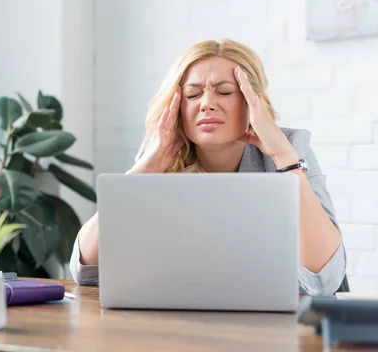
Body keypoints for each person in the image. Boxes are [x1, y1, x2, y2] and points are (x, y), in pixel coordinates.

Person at [70, 39, 347, 296]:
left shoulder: (290, 148)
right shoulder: (160, 154)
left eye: (224, 91)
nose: (206, 105)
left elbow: (325, 279)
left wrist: (284, 157)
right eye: (192, 95)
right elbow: (86, 269)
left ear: (253, 102)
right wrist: (144, 170)